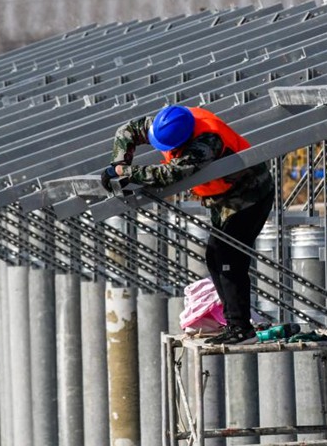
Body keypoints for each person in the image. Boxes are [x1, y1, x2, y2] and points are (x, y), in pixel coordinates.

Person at [102, 105, 275, 344]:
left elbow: (171, 174)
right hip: (224, 199)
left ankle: (241, 328)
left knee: (228, 259)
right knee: (215, 258)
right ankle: (232, 322)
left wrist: (129, 172)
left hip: (250, 196)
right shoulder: (167, 123)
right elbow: (128, 130)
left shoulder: (206, 142)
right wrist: (119, 165)